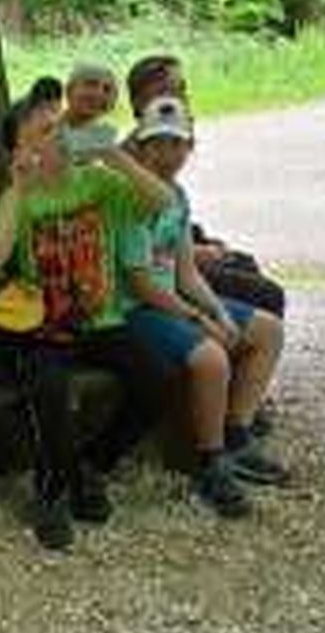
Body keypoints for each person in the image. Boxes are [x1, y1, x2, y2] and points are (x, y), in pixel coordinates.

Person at [0, 82, 173, 550]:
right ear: (19, 151)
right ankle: (52, 491)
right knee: (49, 388)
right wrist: (19, 189)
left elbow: (163, 202)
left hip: (102, 320)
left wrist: (114, 156)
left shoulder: (97, 183)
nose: (56, 135)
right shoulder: (19, 198)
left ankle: (90, 465)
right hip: (45, 326)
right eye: (41, 132)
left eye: (58, 126)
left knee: (157, 379)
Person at [117, 95, 288, 517]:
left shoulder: (177, 197)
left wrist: (219, 311)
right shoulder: (131, 199)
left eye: (178, 144)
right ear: (142, 147)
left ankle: (237, 434)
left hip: (170, 298)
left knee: (267, 331)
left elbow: (186, 271)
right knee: (211, 357)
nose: (169, 153)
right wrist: (198, 319)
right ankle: (209, 461)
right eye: (159, 144)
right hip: (136, 308)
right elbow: (140, 283)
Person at [126, 53, 286, 319]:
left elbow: (176, 213)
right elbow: (140, 243)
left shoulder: (172, 136)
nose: (179, 98)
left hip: (176, 244)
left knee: (243, 263)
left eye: (182, 89)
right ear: (138, 101)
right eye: (167, 91)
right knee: (266, 294)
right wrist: (197, 253)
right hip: (157, 269)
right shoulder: (134, 156)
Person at [60, 61, 122, 160]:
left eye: (107, 89)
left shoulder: (107, 136)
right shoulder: (45, 127)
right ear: (69, 90)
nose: (99, 93)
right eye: (90, 84)